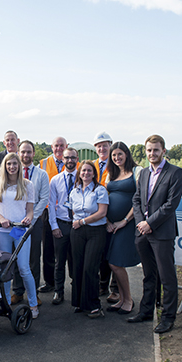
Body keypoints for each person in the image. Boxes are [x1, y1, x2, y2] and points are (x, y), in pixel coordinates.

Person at [129, 134, 182, 334]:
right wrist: (140, 224)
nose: (152, 153)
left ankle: (168, 318)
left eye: (156, 150)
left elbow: (171, 205)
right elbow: (136, 200)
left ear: (163, 151)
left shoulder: (175, 173)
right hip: (143, 233)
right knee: (148, 275)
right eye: (149, 150)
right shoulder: (143, 173)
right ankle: (146, 311)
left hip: (162, 233)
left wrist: (149, 223)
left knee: (167, 277)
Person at [0, 153, 39, 319]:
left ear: (19, 166)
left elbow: (30, 210)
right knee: (6, 268)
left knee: (24, 268)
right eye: (9, 164)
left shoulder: (27, 185)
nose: (12, 167)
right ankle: (6, 301)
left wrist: (29, 218)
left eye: (14, 164)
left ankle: (33, 303)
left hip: (19, 230)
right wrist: (1, 218)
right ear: (5, 165)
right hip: (3, 230)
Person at [104, 141, 142, 314]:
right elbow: (104, 198)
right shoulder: (110, 174)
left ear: (126, 154)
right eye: (114, 155)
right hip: (111, 226)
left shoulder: (137, 172)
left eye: (120, 154)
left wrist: (124, 221)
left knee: (116, 263)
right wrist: (107, 221)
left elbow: (140, 199)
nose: (117, 158)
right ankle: (121, 298)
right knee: (112, 264)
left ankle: (129, 300)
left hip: (126, 224)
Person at [69, 160, 109, 319]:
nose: (86, 173)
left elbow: (102, 213)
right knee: (77, 267)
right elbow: (73, 212)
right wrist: (79, 223)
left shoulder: (100, 190)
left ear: (94, 174)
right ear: (79, 173)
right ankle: (79, 302)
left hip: (95, 231)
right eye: (83, 171)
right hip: (78, 232)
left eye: (89, 171)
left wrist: (82, 221)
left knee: (90, 268)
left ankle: (93, 305)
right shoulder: (74, 191)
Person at [11, 141, 49, 305]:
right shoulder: (12, 174)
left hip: (34, 223)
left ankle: (33, 293)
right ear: (19, 153)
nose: (26, 155)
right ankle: (18, 292)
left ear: (34, 154)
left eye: (29, 152)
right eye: (23, 152)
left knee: (33, 258)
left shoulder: (42, 175)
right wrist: (19, 220)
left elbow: (44, 199)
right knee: (17, 256)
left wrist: (31, 218)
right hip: (17, 224)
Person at [47, 147, 79, 305]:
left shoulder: (83, 177)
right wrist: (54, 226)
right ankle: (58, 292)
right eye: (67, 158)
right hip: (61, 223)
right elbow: (51, 204)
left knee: (75, 259)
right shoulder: (56, 180)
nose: (70, 160)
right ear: (63, 160)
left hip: (78, 225)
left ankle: (76, 290)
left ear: (77, 159)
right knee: (59, 261)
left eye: (73, 157)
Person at [38, 136, 68, 294]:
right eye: (56, 146)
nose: (59, 148)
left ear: (66, 146)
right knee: (48, 248)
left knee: (66, 249)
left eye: (62, 145)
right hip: (47, 210)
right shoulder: (42, 163)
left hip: (67, 213)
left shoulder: (73, 162)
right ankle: (50, 282)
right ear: (52, 147)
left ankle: (67, 283)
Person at [93, 131, 119, 303]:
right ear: (95, 149)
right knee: (101, 254)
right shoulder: (91, 165)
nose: (102, 148)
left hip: (114, 215)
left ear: (110, 146)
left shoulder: (117, 164)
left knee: (115, 255)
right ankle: (102, 284)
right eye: (99, 146)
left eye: (105, 145)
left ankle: (115, 289)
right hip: (96, 216)